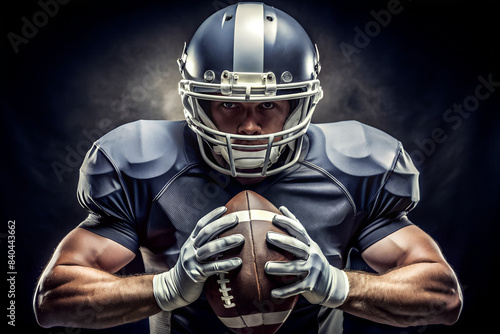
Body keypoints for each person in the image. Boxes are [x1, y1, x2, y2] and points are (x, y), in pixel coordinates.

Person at [33, 3, 463, 333]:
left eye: (270, 105)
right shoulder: (142, 163)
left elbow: (442, 296)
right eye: (227, 104)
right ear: (196, 102)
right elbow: (53, 298)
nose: (249, 125)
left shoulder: (356, 166)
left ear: (302, 103)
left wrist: (337, 284)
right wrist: (167, 286)